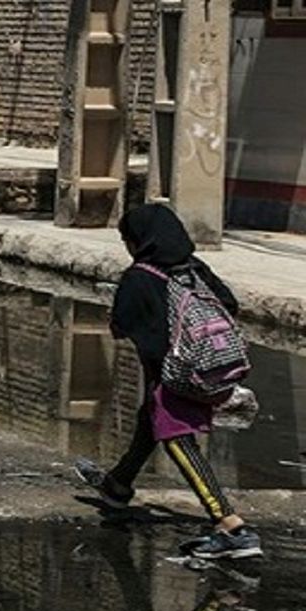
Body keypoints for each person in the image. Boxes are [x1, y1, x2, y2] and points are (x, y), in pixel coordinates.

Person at [75, 204, 261, 559]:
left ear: (138, 241)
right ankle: (117, 486)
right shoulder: (194, 268)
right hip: (210, 368)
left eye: (127, 239)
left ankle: (230, 525)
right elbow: (229, 304)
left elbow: (121, 327)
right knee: (151, 420)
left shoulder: (139, 276)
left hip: (172, 375)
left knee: (176, 437)